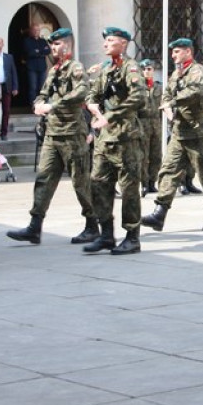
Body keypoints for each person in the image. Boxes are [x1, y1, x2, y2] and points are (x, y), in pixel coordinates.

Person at [6, 28, 97, 246]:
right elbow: (43, 93)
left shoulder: (75, 68)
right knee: (44, 179)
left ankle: (93, 225)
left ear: (68, 45)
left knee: (80, 181)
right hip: (52, 133)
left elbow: (81, 93)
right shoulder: (53, 70)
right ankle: (34, 226)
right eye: (52, 44)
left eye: (57, 44)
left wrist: (53, 105)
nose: (53, 48)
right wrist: (38, 103)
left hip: (72, 133)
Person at [142, 38, 203, 233]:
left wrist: (173, 102)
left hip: (198, 131)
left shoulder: (198, 71)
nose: (173, 55)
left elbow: (198, 91)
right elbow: (166, 94)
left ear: (188, 52)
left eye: (177, 52)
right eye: (172, 52)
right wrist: (167, 107)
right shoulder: (176, 73)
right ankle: (159, 213)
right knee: (168, 170)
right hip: (180, 131)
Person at [82, 27, 147, 255]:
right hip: (105, 139)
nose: (105, 45)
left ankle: (132, 237)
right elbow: (94, 92)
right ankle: (106, 235)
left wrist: (109, 116)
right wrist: (92, 104)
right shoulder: (106, 68)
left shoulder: (131, 67)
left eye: (110, 41)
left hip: (126, 137)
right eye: (105, 41)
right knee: (98, 184)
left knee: (129, 189)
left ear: (123, 43)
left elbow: (139, 96)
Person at [138, 58, 163, 196]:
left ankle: (152, 182)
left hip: (156, 123)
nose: (146, 72)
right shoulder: (137, 87)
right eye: (144, 69)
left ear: (153, 71)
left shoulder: (159, 87)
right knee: (143, 156)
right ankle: (144, 184)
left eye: (149, 69)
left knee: (156, 155)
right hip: (142, 123)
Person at [22, 24, 51, 106]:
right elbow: (30, 53)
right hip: (32, 67)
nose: (36, 32)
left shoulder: (43, 41)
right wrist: (41, 52)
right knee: (33, 88)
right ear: (31, 31)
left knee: (42, 88)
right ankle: (33, 105)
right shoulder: (27, 41)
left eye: (38, 30)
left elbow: (48, 50)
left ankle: (42, 104)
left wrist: (38, 52)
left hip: (42, 67)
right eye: (34, 30)